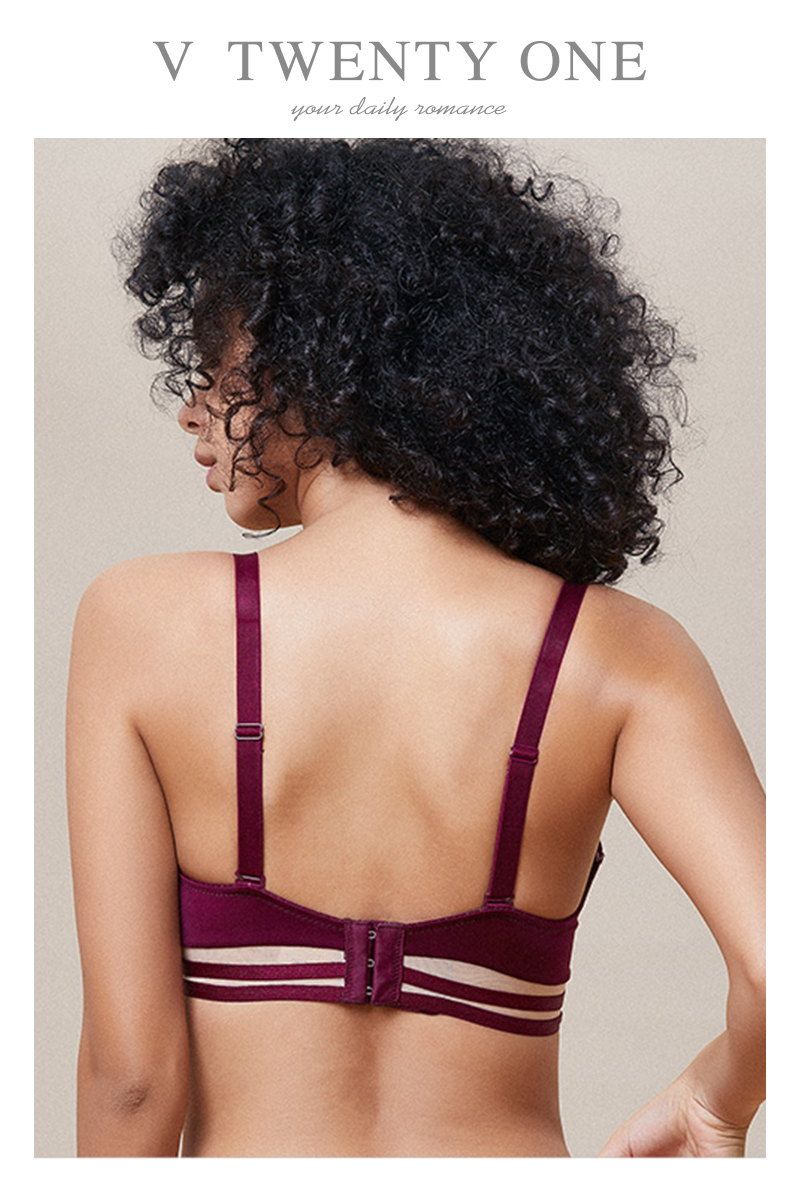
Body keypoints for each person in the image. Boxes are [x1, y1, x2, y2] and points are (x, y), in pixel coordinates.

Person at [66, 138, 765, 1157]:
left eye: (213, 363)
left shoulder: (142, 621)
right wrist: (714, 1099)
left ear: (308, 361)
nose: (192, 409)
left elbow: (132, 1083)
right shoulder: (622, 653)